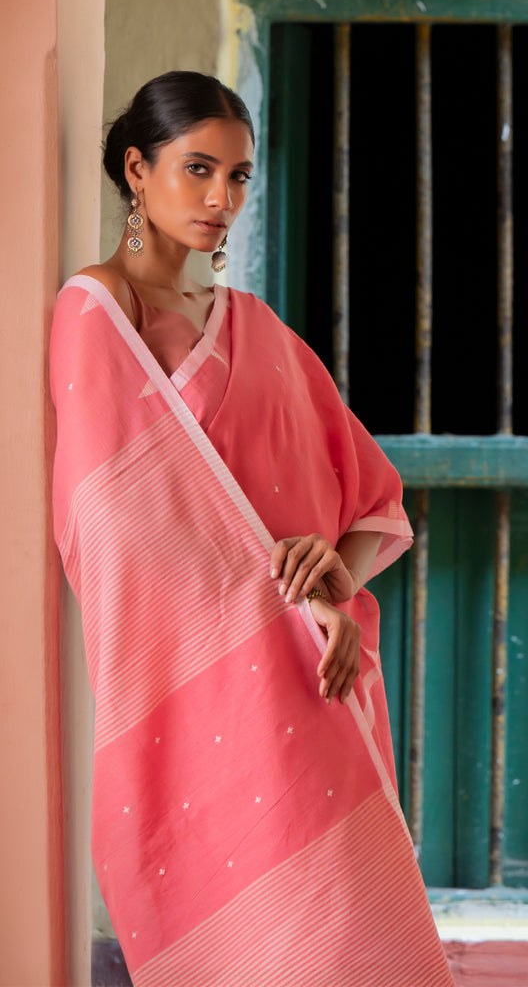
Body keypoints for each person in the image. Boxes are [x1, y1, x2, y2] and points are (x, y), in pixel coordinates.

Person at [50, 71, 454, 986]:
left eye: (238, 177)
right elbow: (114, 529)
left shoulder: (261, 331)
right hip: (204, 704)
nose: (220, 199)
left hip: (312, 685)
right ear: (135, 170)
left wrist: (335, 591)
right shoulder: (94, 319)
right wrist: (280, 606)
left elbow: (370, 502)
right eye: (197, 169)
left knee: (353, 942)